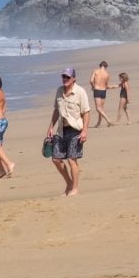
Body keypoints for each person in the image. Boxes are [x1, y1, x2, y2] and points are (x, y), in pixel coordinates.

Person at [47, 68, 90, 196]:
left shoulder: (80, 92)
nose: (65, 79)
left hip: (76, 129)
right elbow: (56, 110)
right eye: (63, 77)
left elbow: (86, 112)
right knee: (56, 159)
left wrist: (85, 131)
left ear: (73, 78)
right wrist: (50, 127)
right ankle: (69, 183)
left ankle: (75, 189)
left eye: (67, 77)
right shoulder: (59, 91)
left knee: (72, 159)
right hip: (61, 129)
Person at [89, 61, 114, 127]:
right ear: (105, 66)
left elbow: (91, 80)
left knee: (98, 108)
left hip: (97, 90)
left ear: (100, 65)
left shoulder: (96, 71)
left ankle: (108, 120)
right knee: (101, 108)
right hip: (103, 91)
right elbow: (107, 86)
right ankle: (99, 123)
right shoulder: (107, 74)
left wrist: (93, 86)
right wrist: (115, 86)